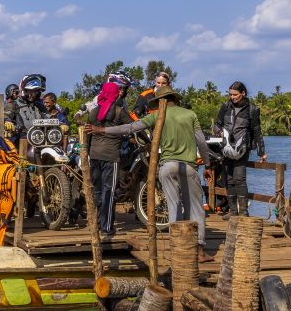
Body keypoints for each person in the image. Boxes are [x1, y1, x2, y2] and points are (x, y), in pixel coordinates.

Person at [86, 84, 213, 261]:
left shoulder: (156, 116)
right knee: (196, 207)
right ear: (175, 99)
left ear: (160, 101)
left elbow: (130, 128)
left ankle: (177, 248)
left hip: (167, 166)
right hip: (189, 166)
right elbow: (201, 143)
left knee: (173, 205)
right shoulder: (190, 114)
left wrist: (102, 130)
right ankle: (199, 250)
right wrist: (207, 164)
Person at [79, 72, 132, 237]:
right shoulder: (119, 111)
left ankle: (96, 223)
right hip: (111, 157)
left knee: (97, 191)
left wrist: (86, 153)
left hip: (94, 155)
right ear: (115, 95)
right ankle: (107, 227)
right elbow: (133, 127)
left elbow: (87, 133)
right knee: (109, 191)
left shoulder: (94, 111)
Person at [212, 81, 267, 216]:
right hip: (226, 147)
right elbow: (217, 124)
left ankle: (243, 211)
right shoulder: (225, 106)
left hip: (243, 147)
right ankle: (233, 211)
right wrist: (218, 130)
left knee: (239, 178)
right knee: (229, 180)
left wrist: (262, 152)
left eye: (235, 94)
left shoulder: (252, 109)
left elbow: (257, 131)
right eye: (231, 94)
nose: (233, 97)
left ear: (243, 93)